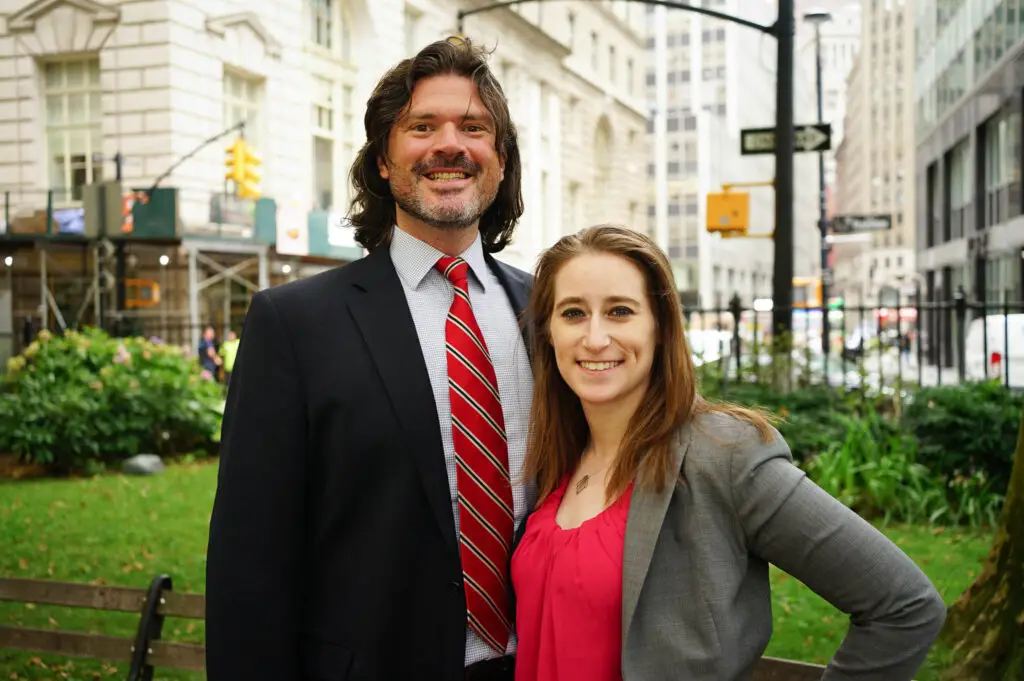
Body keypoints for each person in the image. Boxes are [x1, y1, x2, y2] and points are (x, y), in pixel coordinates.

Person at [205, 37, 533, 681]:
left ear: (498, 161)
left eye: (474, 128)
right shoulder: (294, 323)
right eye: (421, 127)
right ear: (383, 161)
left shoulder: (546, 311)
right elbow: (251, 557)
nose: (450, 145)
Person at [510, 225, 946, 681]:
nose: (595, 337)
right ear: (548, 332)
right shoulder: (554, 456)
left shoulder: (724, 455)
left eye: (620, 311)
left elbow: (905, 606)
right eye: (574, 313)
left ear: (660, 328)